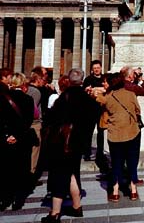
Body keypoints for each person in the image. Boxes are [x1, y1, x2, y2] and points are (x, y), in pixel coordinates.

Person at [42, 68, 91, 222]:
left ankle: (55, 213)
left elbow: (53, 119)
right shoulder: (87, 98)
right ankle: (77, 207)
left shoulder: (65, 97)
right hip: (78, 143)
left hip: (63, 143)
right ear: (82, 80)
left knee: (59, 176)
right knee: (71, 173)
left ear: (69, 80)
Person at [95, 72, 142, 201]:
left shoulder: (109, 97)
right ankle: (133, 190)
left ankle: (115, 191)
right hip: (132, 132)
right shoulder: (131, 94)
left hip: (115, 134)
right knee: (132, 161)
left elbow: (99, 99)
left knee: (116, 163)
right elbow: (138, 110)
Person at [0, 72, 34, 212]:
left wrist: (7, 135)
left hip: (5, 140)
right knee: (21, 169)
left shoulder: (3, 98)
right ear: (23, 84)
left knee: (6, 169)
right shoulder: (28, 99)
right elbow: (28, 121)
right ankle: (18, 200)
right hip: (22, 140)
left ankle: (5, 198)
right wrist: (17, 135)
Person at [82, 60, 104, 161]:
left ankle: (100, 153)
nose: (96, 70)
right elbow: (85, 92)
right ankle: (87, 153)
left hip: (101, 110)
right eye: (95, 68)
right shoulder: (88, 79)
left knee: (101, 132)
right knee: (88, 132)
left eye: (98, 68)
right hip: (90, 110)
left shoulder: (105, 79)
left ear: (101, 68)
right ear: (92, 69)